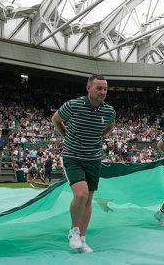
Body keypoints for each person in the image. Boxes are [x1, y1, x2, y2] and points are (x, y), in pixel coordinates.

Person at [52, 74, 115, 253]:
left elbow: (110, 125)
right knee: (81, 195)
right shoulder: (73, 105)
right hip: (73, 157)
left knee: (88, 200)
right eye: (99, 88)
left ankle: (83, 238)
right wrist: (67, 136)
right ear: (88, 88)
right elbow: (56, 119)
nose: (103, 92)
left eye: (105, 89)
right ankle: (74, 231)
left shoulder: (109, 111)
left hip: (94, 159)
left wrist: (101, 136)